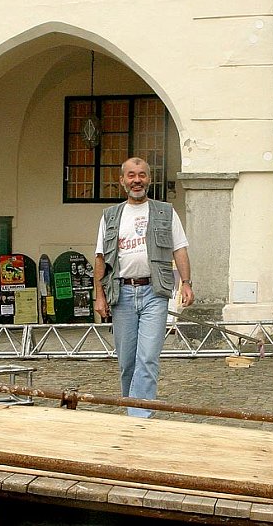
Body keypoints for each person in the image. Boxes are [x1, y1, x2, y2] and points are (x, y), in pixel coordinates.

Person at [94, 157, 194, 418]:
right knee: (127, 361)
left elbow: (179, 248)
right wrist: (99, 295)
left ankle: (141, 416)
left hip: (155, 292)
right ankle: (133, 411)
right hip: (122, 294)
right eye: (131, 175)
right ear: (122, 181)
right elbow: (100, 257)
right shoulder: (110, 216)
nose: (136, 180)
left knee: (148, 358)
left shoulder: (165, 212)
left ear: (149, 179)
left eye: (141, 175)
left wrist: (186, 283)